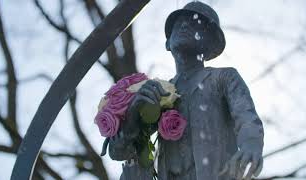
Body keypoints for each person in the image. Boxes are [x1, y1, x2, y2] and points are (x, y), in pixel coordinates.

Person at [108, 1, 264, 180]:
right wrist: (133, 116)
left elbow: (246, 118)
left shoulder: (224, 77)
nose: (184, 25)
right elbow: (120, 153)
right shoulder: (158, 94)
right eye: (178, 24)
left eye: (195, 23)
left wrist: (251, 144)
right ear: (167, 43)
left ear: (209, 44)